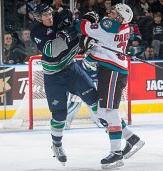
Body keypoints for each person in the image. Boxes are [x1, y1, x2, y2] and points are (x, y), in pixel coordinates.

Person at [75, 3, 145, 169]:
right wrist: (92, 52)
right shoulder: (125, 27)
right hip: (112, 70)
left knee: (108, 112)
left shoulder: (108, 27)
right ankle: (131, 139)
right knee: (102, 111)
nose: (109, 13)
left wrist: (87, 19)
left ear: (119, 18)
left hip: (113, 72)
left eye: (113, 13)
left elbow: (81, 26)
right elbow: (104, 47)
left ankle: (116, 154)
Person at [30, 3, 98, 165]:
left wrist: (86, 21)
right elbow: (52, 50)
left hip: (72, 68)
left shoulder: (61, 17)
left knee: (95, 100)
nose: (49, 17)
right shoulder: (37, 32)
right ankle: (57, 144)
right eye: (44, 16)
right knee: (60, 114)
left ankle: (114, 131)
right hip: (53, 76)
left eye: (49, 13)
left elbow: (81, 27)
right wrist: (70, 34)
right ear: (39, 18)